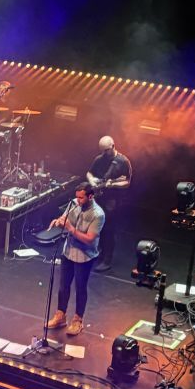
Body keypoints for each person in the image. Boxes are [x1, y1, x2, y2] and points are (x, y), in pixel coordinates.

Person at [46, 182, 105, 336]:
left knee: (80, 288)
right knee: (63, 286)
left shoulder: (98, 214)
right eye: (77, 197)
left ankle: (78, 320)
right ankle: (61, 316)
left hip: (85, 256)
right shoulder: (73, 204)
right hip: (68, 252)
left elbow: (89, 239)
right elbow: (65, 218)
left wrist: (71, 229)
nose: (78, 200)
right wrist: (60, 221)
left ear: (90, 196)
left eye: (81, 198)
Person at [85, 135, 131, 272]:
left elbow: (127, 181)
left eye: (106, 150)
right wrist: (92, 181)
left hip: (113, 200)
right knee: (97, 227)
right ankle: (98, 252)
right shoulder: (99, 159)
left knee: (108, 230)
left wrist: (113, 185)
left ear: (113, 146)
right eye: (102, 151)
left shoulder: (123, 161)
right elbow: (89, 173)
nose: (104, 153)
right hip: (99, 197)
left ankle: (107, 259)